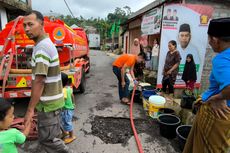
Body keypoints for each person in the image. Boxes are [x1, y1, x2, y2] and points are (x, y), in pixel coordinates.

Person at [23, 10, 73, 153]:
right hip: (52, 103)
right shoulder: (45, 44)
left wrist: (30, 110)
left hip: (48, 105)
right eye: (24, 25)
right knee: (50, 138)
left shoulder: (42, 48)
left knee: (48, 141)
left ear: (41, 24)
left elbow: (39, 81)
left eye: (30, 24)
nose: (26, 29)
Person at [183, 18, 230, 153]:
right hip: (224, 118)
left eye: (209, 39)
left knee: (204, 149)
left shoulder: (222, 59)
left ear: (215, 40)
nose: (209, 42)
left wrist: (217, 98)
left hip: (217, 115)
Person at [60, 73, 76, 144]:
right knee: (63, 122)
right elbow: (72, 95)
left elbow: (63, 100)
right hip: (70, 108)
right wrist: (73, 103)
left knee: (67, 123)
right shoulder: (69, 88)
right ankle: (65, 133)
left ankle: (71, 136)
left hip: (66, 110)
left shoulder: (63, 90)